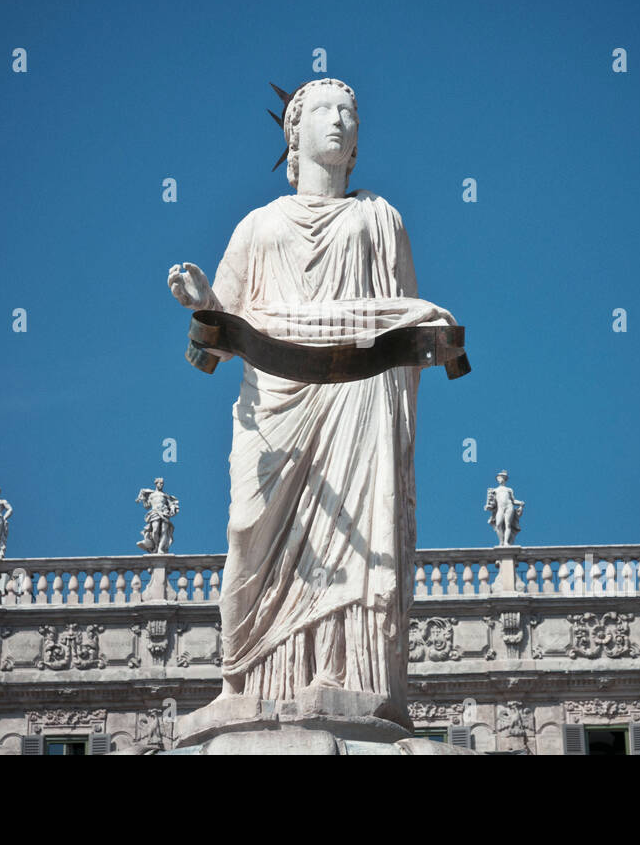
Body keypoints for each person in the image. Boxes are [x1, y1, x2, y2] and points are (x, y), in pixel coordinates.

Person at [167, 79, 457, 706]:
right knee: (248, 530)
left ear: (357, 143)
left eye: (350, 113)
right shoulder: (259, 225)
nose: (340, 120)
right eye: (325, 110)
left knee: (360, 536)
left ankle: (348, 679)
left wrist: (428, 326)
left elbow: (401, 318)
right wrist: (200, 302)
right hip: (274, 403)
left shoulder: (381, 219)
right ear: (292, 133)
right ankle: (242, 681)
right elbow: (213, 345)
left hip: (359, 393)